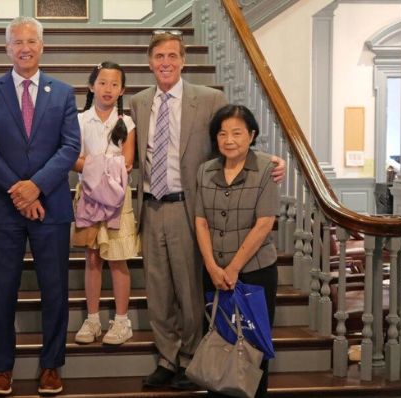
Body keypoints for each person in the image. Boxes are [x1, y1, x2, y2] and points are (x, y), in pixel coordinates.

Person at [130, 31, 284, 390]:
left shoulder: (209, 98)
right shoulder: (138, 101)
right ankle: (166, 357)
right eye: (158, 57)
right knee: (158, 290)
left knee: (189, 290)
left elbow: (231, 139)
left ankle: (190, 358)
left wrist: (271, 160)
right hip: (151, 207)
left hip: (190, 207)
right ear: (150, 62)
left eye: (172, 56)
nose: (165, 63)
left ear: (182, 60)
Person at [0, 16, 81, 396]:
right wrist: (18, 191)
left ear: (42, 46)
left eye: (31, 41)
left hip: (52, 205)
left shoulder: (63, 93)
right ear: (7, 49)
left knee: (55, 291)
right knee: (2, 290)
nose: (24, 47)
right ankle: (2, 367)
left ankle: (52, 365)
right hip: (3, 209)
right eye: (16, 42)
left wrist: (35, 187)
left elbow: (70, 147)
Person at [196, 104, 279, 397]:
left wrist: (232, 269)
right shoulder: (205, 170)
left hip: (255, 274)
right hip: (214, 273)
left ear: (252, 134)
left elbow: (265, 222)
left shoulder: (267, 169)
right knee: (220, 340)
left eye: (237, 133)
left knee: (254, 346)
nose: (229, 139)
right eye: (222, 133)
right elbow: (201, 221)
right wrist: (211, 266)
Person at [71, 62, 140, 346]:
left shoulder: (127, 123)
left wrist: (94, 164)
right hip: (87, 195)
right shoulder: (78, 120)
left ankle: (122, 321)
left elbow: (128, 162)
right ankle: (93, 318)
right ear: (91, 86)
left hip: (118, 198)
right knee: (92, 257)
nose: (108, 88)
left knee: (118, 258)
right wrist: (105, 165)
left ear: (122, 89)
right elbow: (73, 158)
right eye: (102, 82)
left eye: (114, 84)